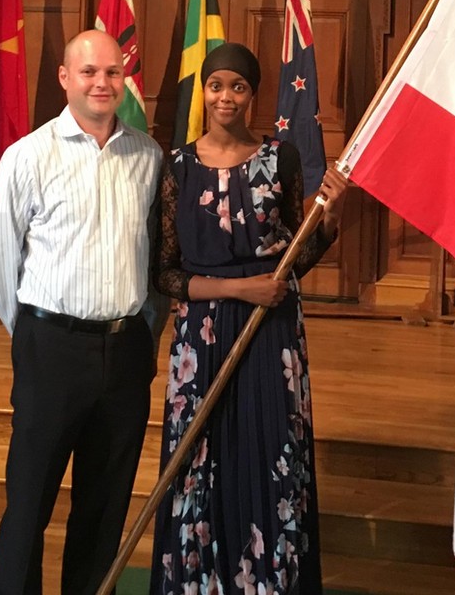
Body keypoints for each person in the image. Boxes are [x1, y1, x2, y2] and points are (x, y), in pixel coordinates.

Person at [149, 42, 347, 594]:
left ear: (252, 94)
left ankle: (268, 582)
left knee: (267, 451)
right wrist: (240, 288)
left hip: (269, 332)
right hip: (201, 335)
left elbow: (295, 258)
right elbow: (163, 272)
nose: (226, 97)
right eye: (216, 86)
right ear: (204, 92)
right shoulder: (178, 166)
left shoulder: (279, 158)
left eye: (238, 87)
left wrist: (330, 218)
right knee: (198, 458)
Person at [0, 29, 168, 594]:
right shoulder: (29, 155)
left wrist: (139, 335)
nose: (102, 83)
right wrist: (36, 334)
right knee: (29, 501)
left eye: (112, 72)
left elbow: (157, 262)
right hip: (51, 350)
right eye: (89, 72)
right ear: (66, 78)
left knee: (104, 506)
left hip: (126, 350)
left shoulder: (149, 157)